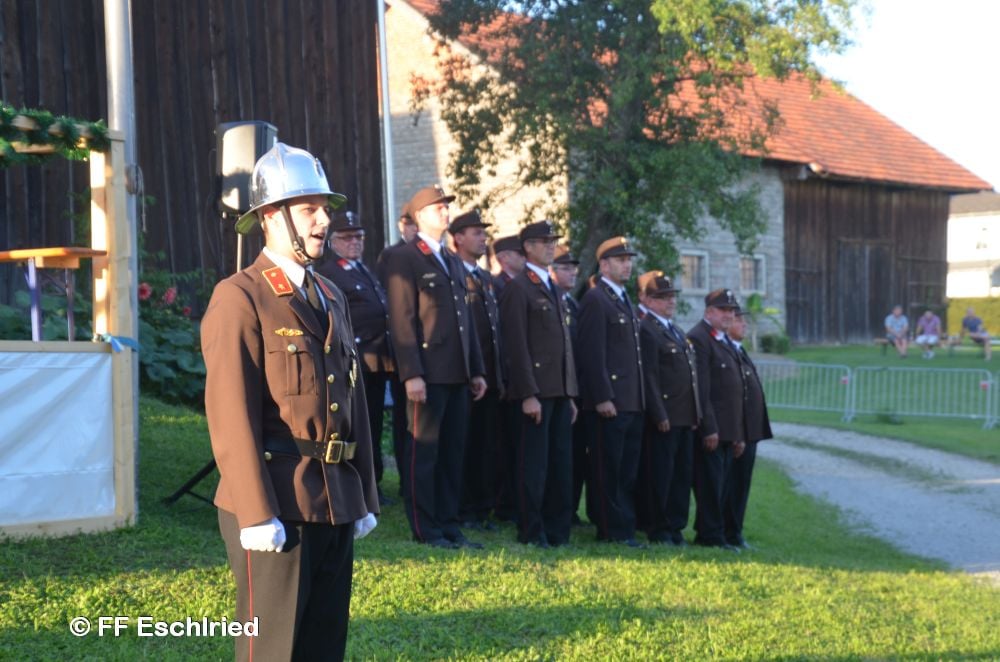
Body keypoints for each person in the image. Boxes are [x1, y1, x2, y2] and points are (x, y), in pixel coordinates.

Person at [203, 143, 379, 661]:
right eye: (309, 209)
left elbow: (354, 400)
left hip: (335, 498)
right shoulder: (240, 296)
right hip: (278, 501)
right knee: (273, 651)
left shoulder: (331, 294)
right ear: (270, 218)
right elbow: (230, 414)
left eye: (324, 209)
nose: (324, 221)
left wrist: (363, 490)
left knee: (324, 647)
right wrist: (255, 511)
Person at [383, 184, 488, 549]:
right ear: (420, 216)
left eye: (446, 207)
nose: (445, 212)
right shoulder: (405, 257)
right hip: (427, 373)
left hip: (456, 372)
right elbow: (402, 320)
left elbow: (464, 321)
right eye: (438, 208)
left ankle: (449, 524)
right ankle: (426, 528)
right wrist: (411, 373)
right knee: (423, 453)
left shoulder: (451, 259)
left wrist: (476, 369)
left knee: (452, 453)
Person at [499, 220, 579, 547]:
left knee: (561, 464)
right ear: (528, 247)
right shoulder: (520, 287)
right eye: (544, 242)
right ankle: (532, 530)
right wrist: (528, 393)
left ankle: (557, 531)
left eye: (552, 241)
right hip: (536, 392)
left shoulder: (553, 287)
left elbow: (564, 346)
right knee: (534, 465)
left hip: (559, 391)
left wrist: (570, 393)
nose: (550, 247)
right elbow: (516, 346)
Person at [317, 211, 394, 504]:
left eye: (358, 237)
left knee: (372, 424)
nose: (354, 242)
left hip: (376, 362)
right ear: (333, 242)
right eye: (347, 237)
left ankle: (373, 483)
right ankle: (360, 483)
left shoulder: (362, 269)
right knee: (357, 426)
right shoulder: (331, 273)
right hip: (354, 362)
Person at [577, 236, 645, 547]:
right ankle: (609, 528)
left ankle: (624, 527)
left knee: (626, 470)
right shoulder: (596, 299)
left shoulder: (622, 298)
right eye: (620, 260)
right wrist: (602, 396)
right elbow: (592, 353)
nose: (627, 265)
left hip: (629, 400)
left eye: (629, 260)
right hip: (610, 401)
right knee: (608, 469)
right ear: (603, 265)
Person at [448, 209, 505, 530]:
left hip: (490, 376)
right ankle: (464, 508)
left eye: (484, 233)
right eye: (476, 233)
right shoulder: (453, 271)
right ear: (458, 238)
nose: (483, 238)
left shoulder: (485, 278)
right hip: (466, 374)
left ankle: (482, 508)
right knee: (465, 446)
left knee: (487, 446)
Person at [635, 271, 700, 546]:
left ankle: (676, 526)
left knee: (681, 476)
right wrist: (659, 413)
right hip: (665, 416)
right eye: (663, 297)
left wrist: (695, 412)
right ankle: (658, 527)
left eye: (672, 296)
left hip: (684, 416)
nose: (670, 301)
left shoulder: (675, 330)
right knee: (661, 475)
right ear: (648, 300)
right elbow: (649, 376)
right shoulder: (647, 329)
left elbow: (689, 376)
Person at [687, 288, 745, 551]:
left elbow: (734, 392)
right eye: (723, 310)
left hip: (728, 429)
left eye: (731, 311)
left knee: (721, 485)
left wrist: (738, 433)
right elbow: (702, 389)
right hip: (713, 430)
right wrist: (709, 427)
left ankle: (716, 533)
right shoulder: (700, 338)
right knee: (710, 486)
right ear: (709, 312)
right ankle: (710, 535)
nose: (728, 315)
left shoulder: (723, 340)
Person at [376, 204, 419, 494]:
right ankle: (407, 480)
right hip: (401, 351)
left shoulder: (433, 256)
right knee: (406, 421)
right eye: (409, 223)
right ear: (401, 225)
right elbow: (390, 302)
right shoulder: (393, 255)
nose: (413, 228)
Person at [723, 307, 772, 549]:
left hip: (749, 430)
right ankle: (728, 532)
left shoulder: (738, 350)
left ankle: (735, 531)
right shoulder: (726, 350)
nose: (744, 324)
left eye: (744, 320)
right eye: (738, 320)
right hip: (737, 431)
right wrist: (738, 432)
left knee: (741, 485)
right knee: (732, 485)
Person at [550, 244, 586, 525]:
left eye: (574, 268)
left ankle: (568, 510)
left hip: (574, 389)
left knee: (573, 455)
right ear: (552, 271)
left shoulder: (572, 304)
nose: (572, 272)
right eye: (565, 268)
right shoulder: (550, 298)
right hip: (552, 387)